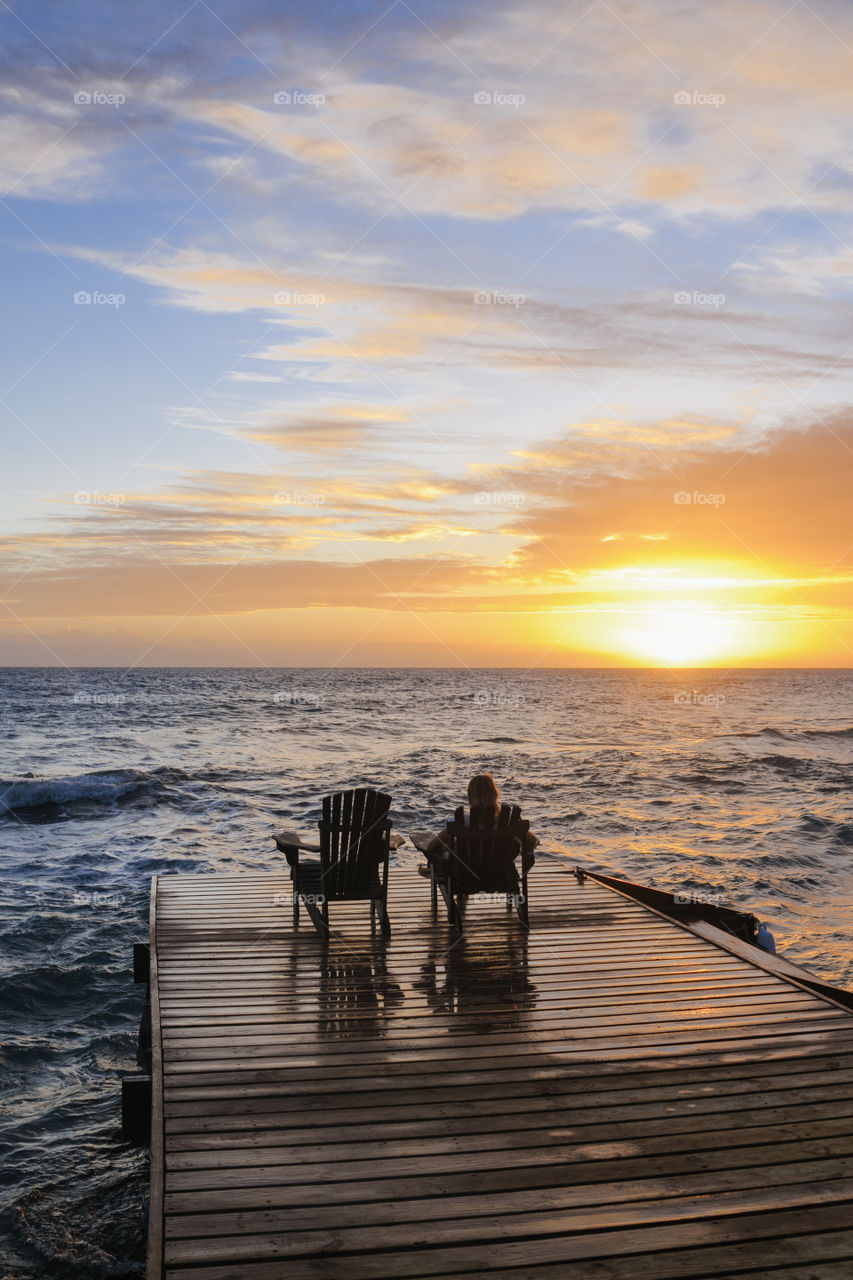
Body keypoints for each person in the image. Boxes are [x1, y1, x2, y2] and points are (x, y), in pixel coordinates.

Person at [418, 773, 538, 877]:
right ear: (495, 794)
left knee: (450, 845)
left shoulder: (462, 821)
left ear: (470, 796)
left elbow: (431, 846)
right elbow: (534, 841)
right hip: (500, 873)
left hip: (467, 874)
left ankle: (434, 871)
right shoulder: (508, 822)